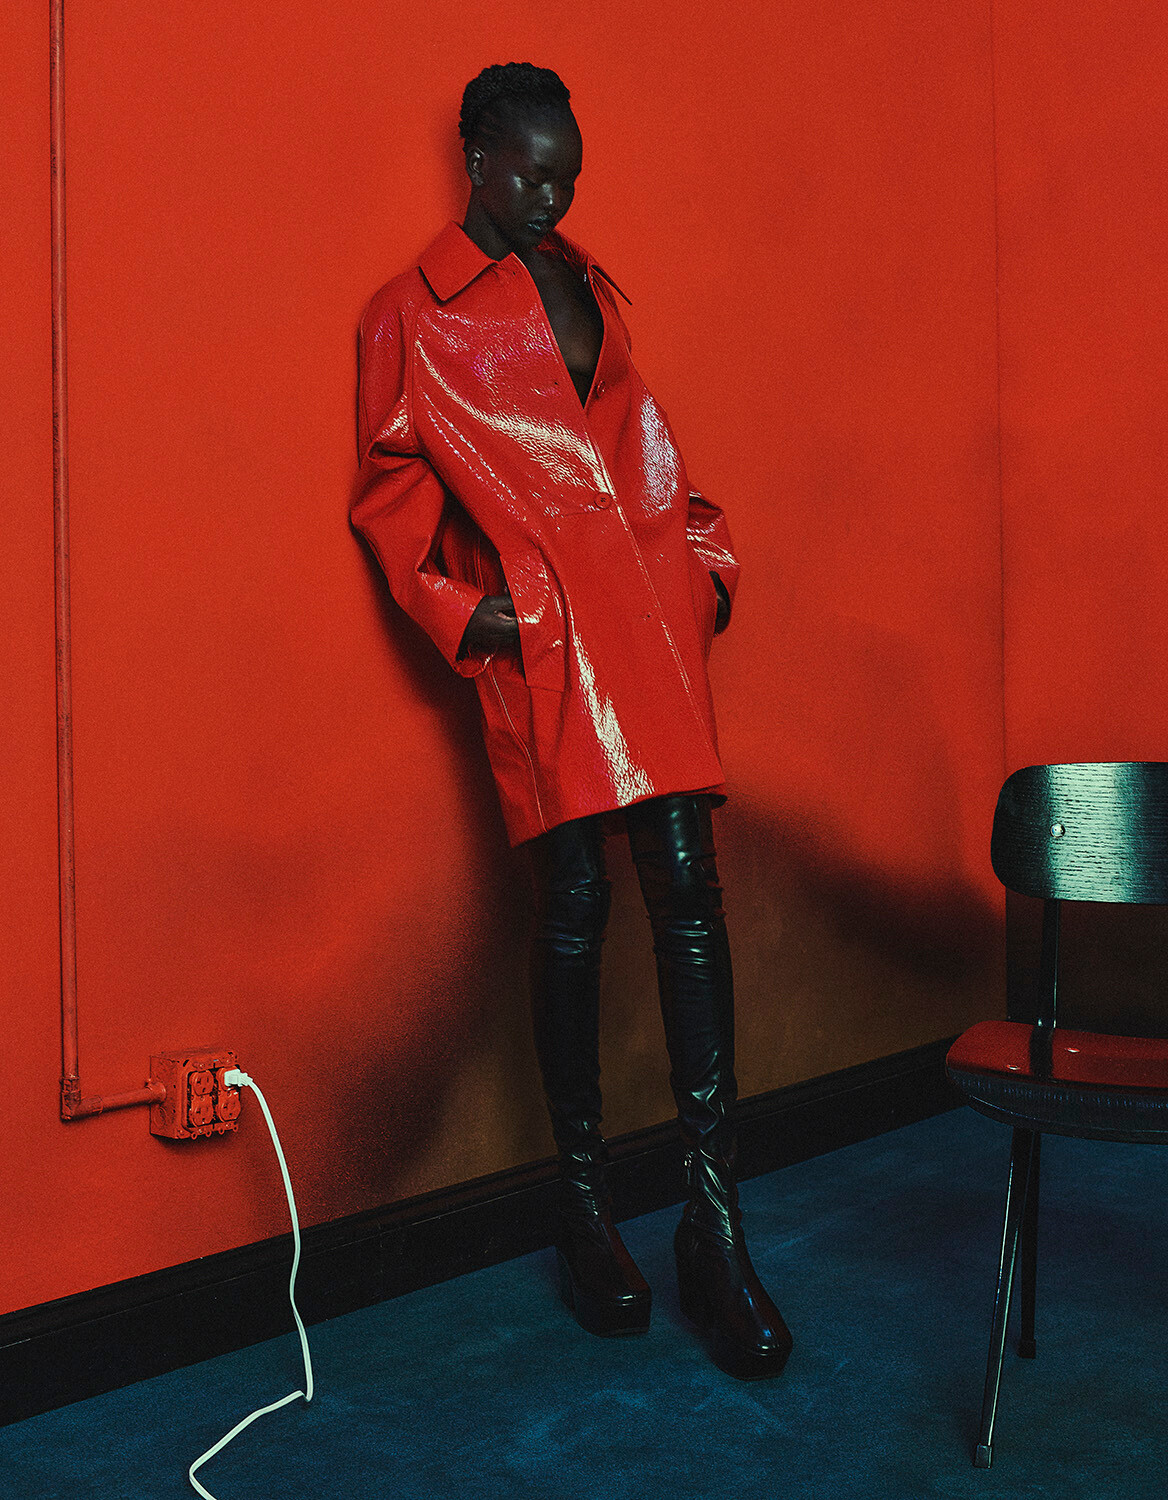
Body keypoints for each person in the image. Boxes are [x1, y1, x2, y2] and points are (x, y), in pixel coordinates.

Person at [352, 62, 791, 1380]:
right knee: (577, 908)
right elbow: (388, 491)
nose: (554, 195)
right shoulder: (410, 314)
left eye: (570, 174)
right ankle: (586, 1213)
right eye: (534, 171)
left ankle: (714, 1230)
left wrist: (704, 562)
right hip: (548, 646)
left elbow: (640, 440)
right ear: (479, 158)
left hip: (649, 624)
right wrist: (474, 617)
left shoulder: (585, 278)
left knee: (689, 895)